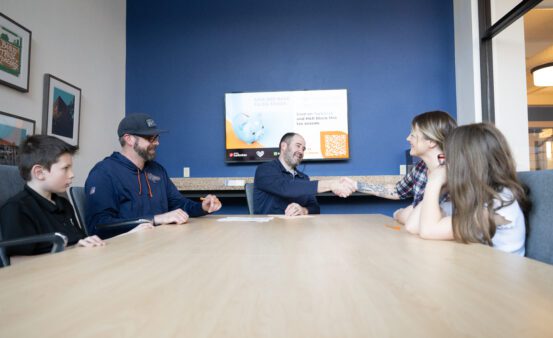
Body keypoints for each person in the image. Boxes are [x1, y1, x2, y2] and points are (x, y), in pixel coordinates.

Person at [85, 113, 222, 239]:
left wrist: (202, 207)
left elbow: (179, 204)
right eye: (150, 138)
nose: (157, 143)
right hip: (125, 251)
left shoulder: (157, 170)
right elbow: (99, 225)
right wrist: (155, 219)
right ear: (129, 139)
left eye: (157, 137)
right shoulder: (104, 172)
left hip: (160, 243)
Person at [405, 123, 530, 256]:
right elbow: (412, 225)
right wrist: (440, 191)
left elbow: (428, 230)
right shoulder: (473, 197)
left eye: (448, 158)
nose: (445, 165)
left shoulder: (498, 203)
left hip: (498, 276)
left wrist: (434, 182)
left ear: (465, 164)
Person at [344, 110, 457, 224]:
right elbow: (397, 191)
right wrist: (357, 185)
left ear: (431, 142)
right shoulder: (420, 168)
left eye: (413, 135)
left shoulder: (456, 172)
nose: (408, 138)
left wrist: (401, 214)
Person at [0, 135, 104, 256]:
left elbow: (77, 242)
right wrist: (74, 250)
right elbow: (17, 263)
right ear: (39, 173)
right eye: (65, 168)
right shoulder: (16, 209)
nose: (72, 175)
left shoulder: (64, 204)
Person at [253, 132, 356, 216]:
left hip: (297, 233)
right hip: (268, 232)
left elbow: (315, 208)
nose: (301, 151)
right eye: (298, 146)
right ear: (284, 146)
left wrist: (303, 210)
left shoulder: (304, 178)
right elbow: (286, 188)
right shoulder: (264, 170)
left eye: (303, 149)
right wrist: (330, 184)